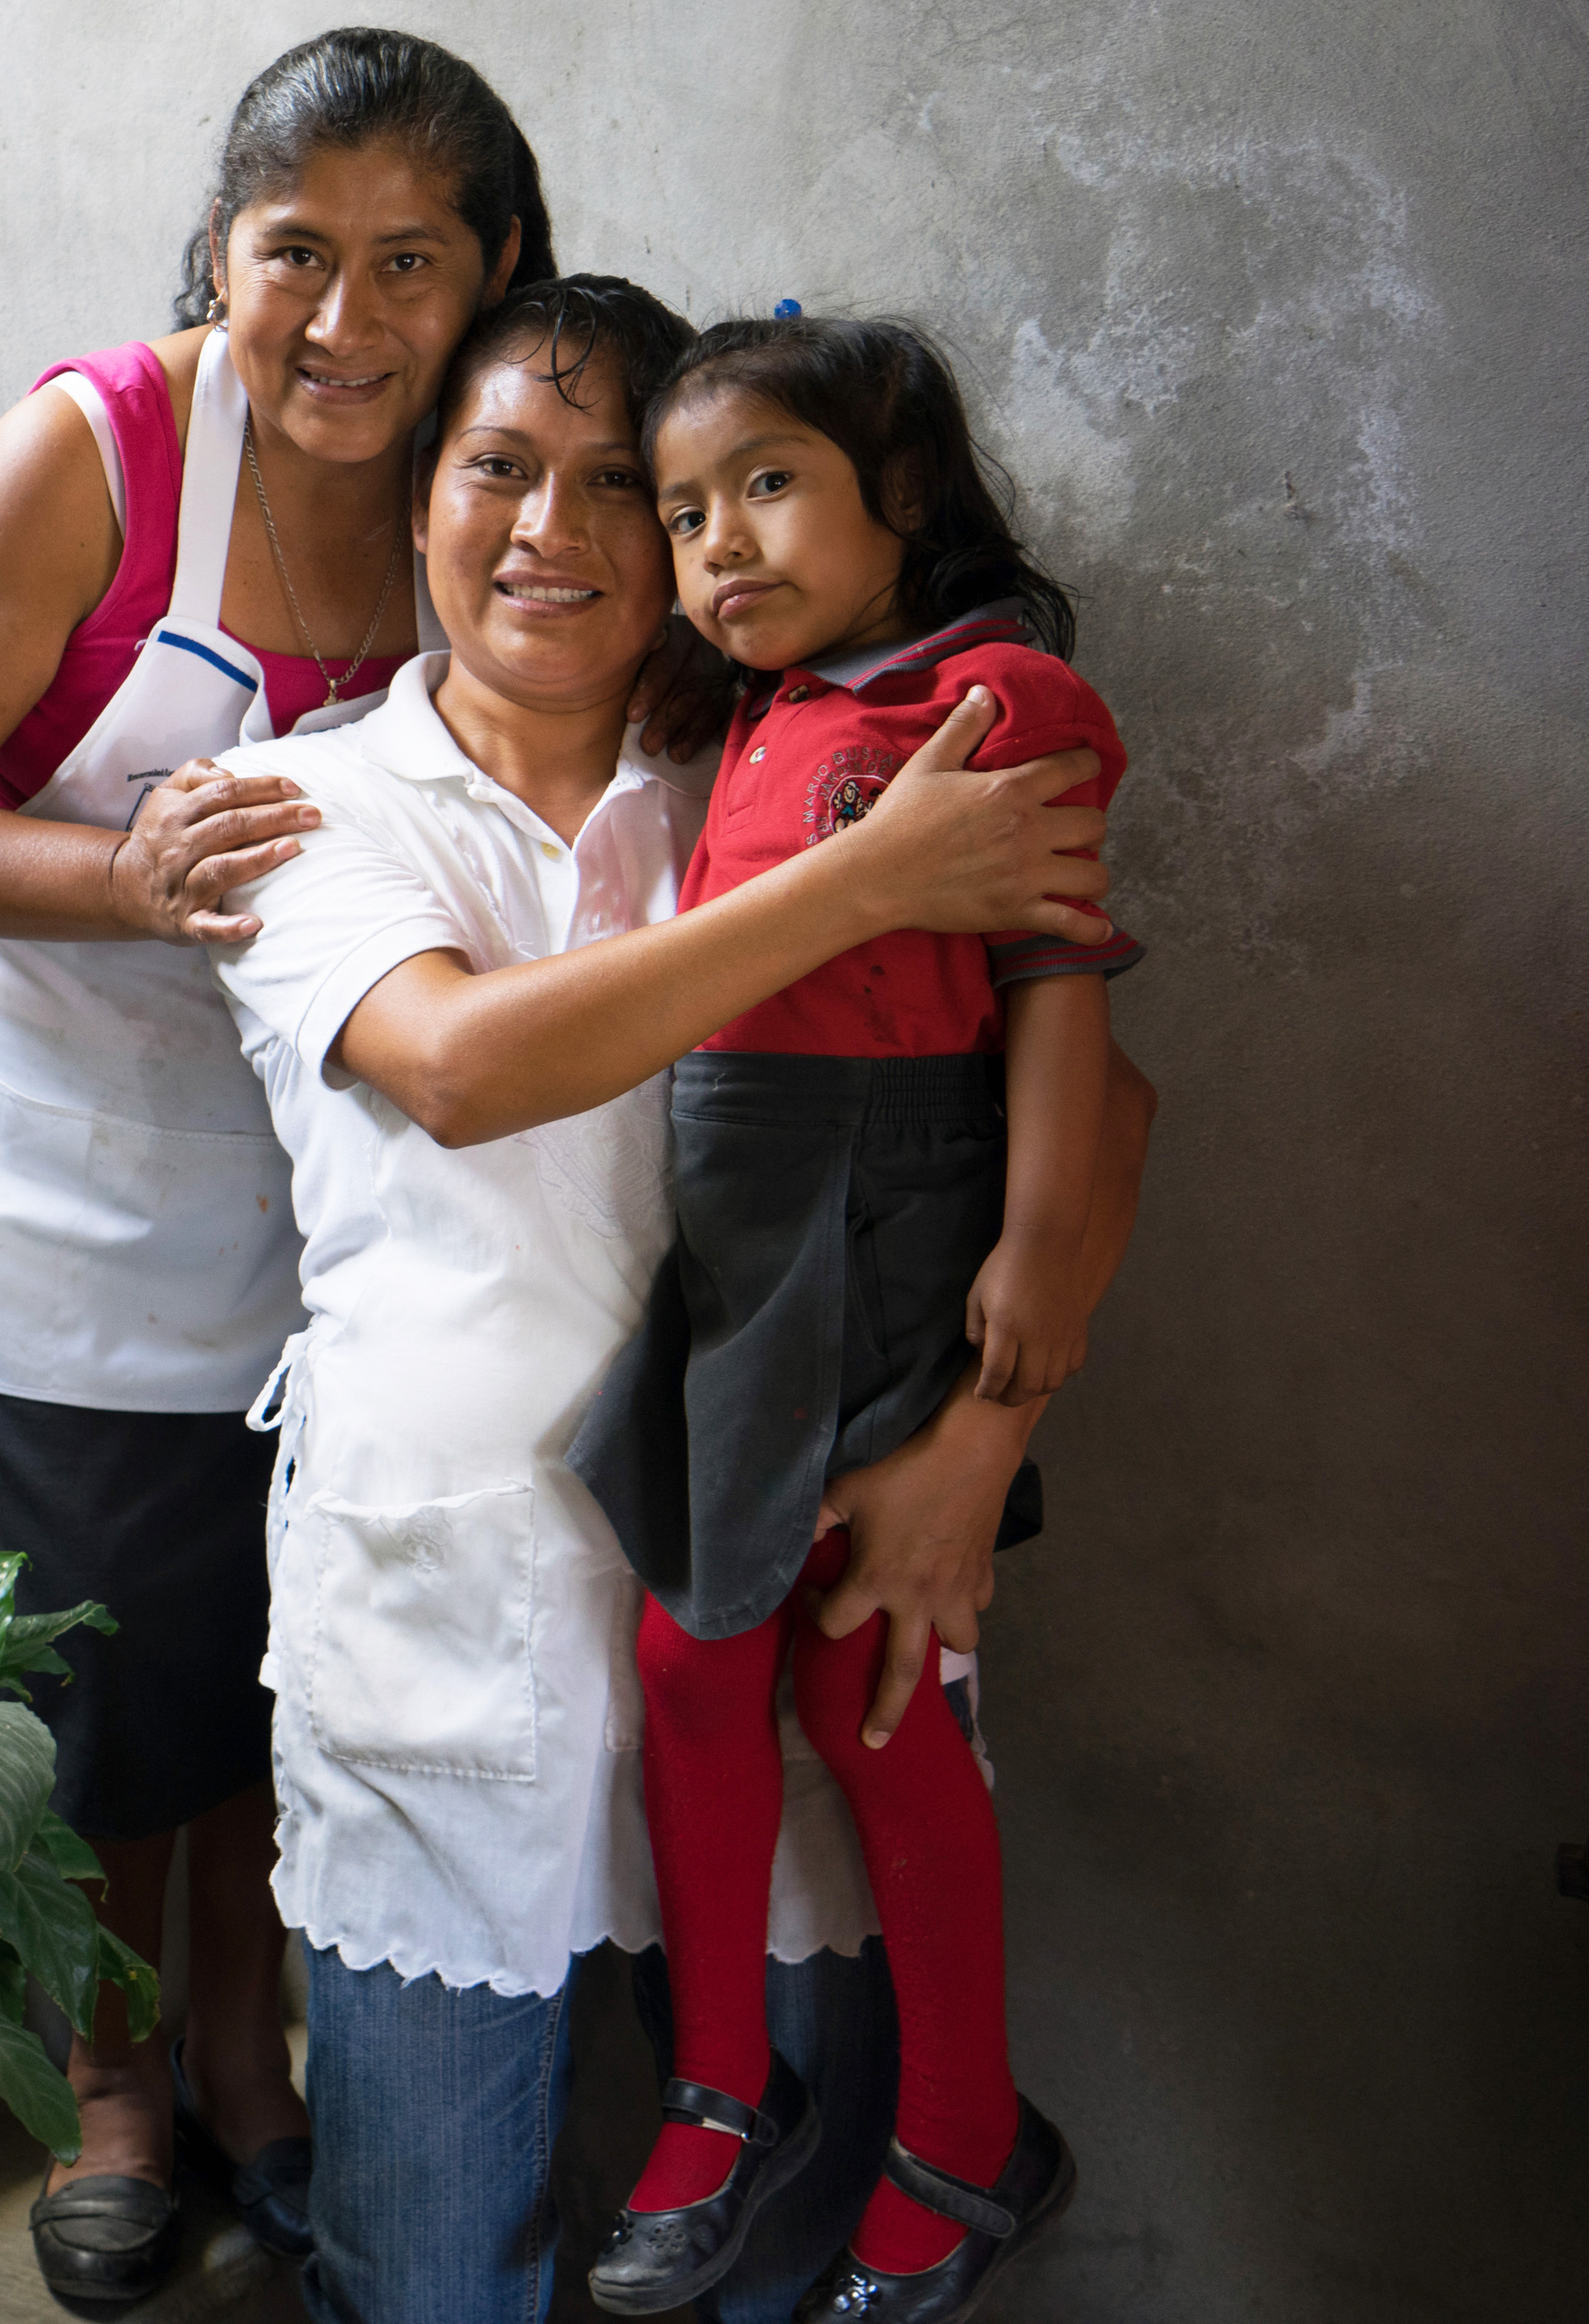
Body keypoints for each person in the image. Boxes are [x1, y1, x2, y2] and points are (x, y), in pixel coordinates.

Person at [201, 278, 1151, 2323]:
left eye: (623, 485)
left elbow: (1099, 1092)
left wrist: (984, 1447)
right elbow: (460, 1067)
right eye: (498, 470)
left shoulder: (802, 754)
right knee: (436, 2277)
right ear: (422, 498)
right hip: (454, 1646)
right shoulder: (304, 806)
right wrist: (875, 879)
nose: (555, 529)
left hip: (812, 1562)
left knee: (774, 2274)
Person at [0, 27, 564, 2300]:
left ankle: (260, 2066)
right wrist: (120, 880)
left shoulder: (491, 467)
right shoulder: (98, 457)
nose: (345, 325)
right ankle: (108, 2085)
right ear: (219, 254)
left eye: (411, 263)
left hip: (314, 1176)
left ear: (499, 265)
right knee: (83, 1696)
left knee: (266, 1664)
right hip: (51, 1176)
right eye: (293, 257)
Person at [576, 315, 1140, 2318]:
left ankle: (964, 2135)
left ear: (901, 500)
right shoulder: (747, 726)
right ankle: (721, 2085)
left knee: (865, 1685)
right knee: (698, 1658)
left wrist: (1033, 1265)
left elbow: (1066, 999)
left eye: (770, 486)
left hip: (890, 1235)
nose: (718, 542)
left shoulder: (989, 697)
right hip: (741, 1254)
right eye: (686, 510)